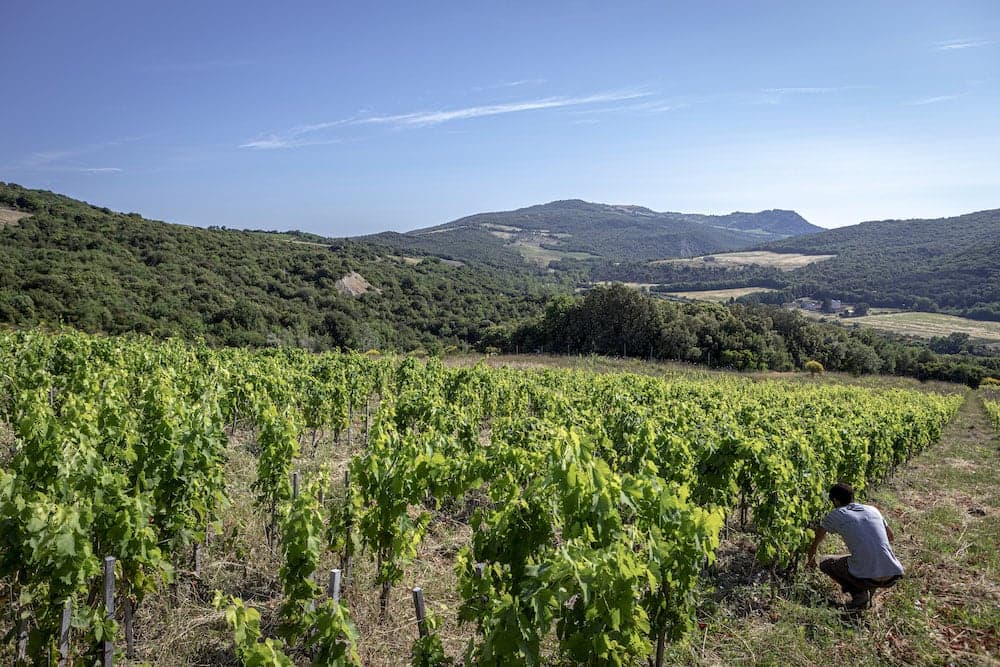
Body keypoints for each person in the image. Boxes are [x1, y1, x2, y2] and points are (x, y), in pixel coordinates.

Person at [806, 482, 904, 609]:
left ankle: (860, 595)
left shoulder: (836, 514)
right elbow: (891, 537)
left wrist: (811, 560)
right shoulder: (873, 509)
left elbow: (816, 540)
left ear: (835, 500)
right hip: (893, 573)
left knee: (825, 562)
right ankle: (868, 592)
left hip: (869, 575)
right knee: (862, 560)